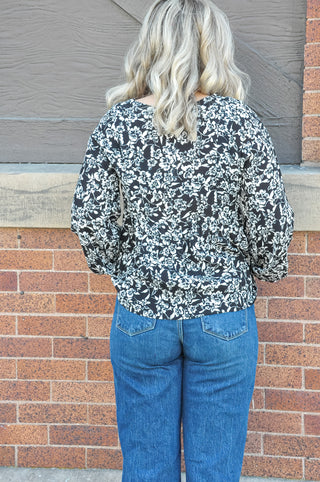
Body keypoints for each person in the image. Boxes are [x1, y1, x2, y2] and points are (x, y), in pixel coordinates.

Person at [71, 0, 294, 480]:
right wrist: (261, 269)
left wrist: (124, 266)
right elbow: (272, 229)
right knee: (216, 470)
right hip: (224, 317)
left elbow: (89, 222)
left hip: (142, 318)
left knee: (147, 469)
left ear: (151, 44)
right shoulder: (240, 125)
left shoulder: (118, 125)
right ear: (214, 47)